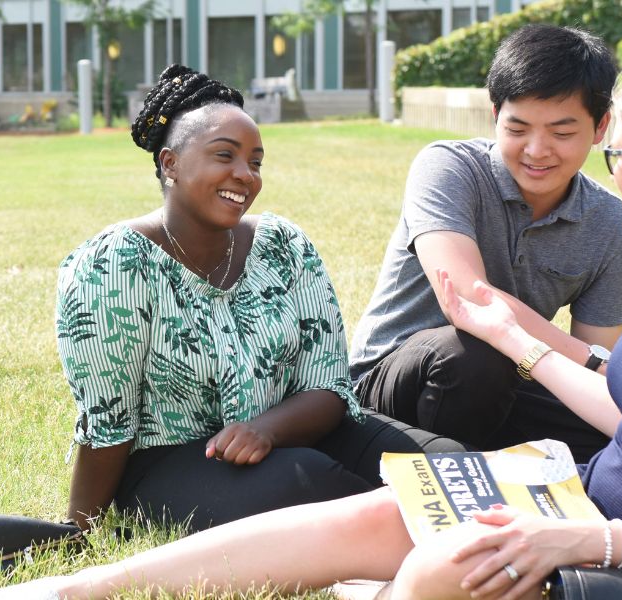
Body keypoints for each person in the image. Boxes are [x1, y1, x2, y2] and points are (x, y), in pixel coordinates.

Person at [0, 57, 622, 600]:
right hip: (600, 503)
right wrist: (516, 338)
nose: (606, 169)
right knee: (384, 511)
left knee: (442, 565)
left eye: (614, 151)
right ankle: (82, 590)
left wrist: (571, 537)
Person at [55, 65, 464, 534]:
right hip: (171, 463)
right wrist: (79, 528)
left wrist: (266, 430)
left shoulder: (284, 245)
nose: (244, 175)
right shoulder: (112, 265)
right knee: (314, 483)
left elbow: (329, 387)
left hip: (294, 434)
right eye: (224, 155)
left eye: (255, 162)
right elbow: (108, 423)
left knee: (449, 466)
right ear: (170, 164)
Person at [347, 25, 622, 462]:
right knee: (475, 355)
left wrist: (602, 377)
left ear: (601, 126)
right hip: (393, 383)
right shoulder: (448, 167)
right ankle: (447, 477)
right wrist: (594, 363)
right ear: (495, 114)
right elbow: (471, 303)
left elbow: (594, 370)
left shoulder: (613, 225)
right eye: (517, 128)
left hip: (510, 380)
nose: (537, 150)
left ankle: (480, 464)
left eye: (561, 133)